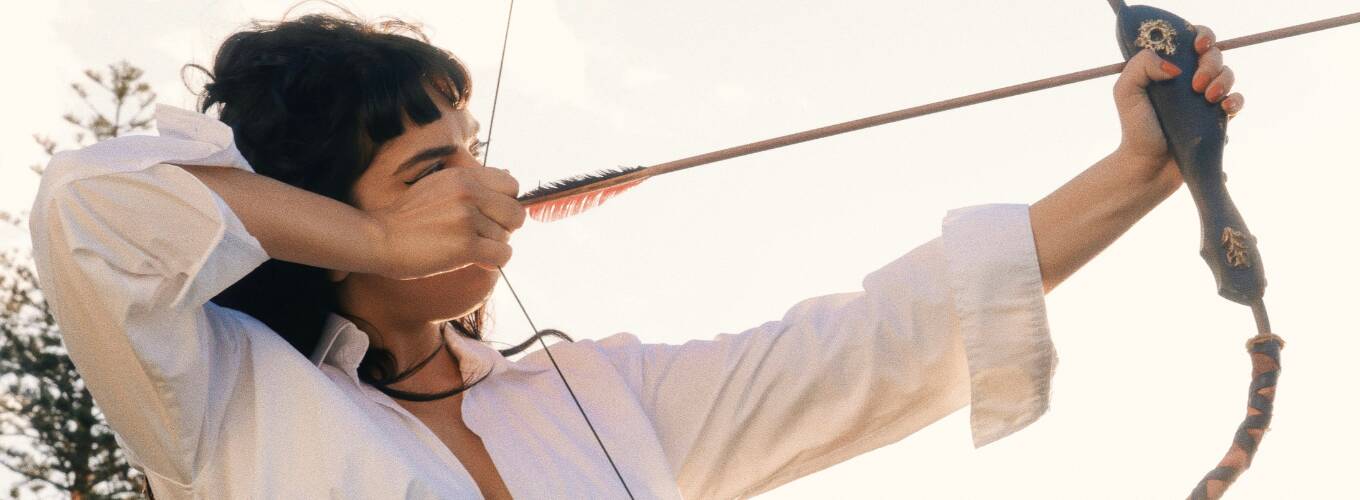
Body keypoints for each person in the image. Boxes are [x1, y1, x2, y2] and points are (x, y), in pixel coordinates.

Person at [28, 12, 1243, 500]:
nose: (487, 188)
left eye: (473, 151)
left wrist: (1140, 169)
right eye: (426, 170)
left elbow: (881, 340)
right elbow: (90, 204)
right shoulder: (224, 398)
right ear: (314, 224)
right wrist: (383, 239)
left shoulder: (594, 393)